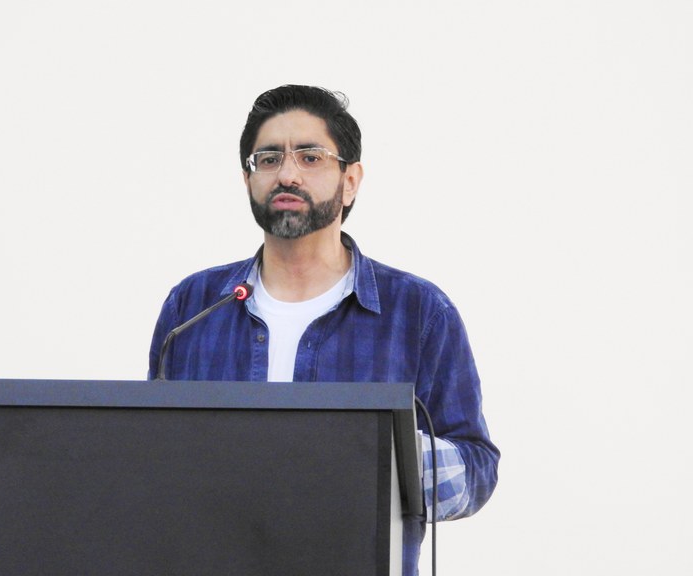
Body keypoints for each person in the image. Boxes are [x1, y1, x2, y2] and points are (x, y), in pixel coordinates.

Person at [149, 84, 499, 574]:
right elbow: (154, 460)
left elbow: (477, 469)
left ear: (350, 180)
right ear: (248, 179)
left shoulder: (419, 312)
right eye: (268, 159)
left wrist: (370, 456)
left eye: (310, 157)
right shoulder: (193, 307)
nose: (287, 174)